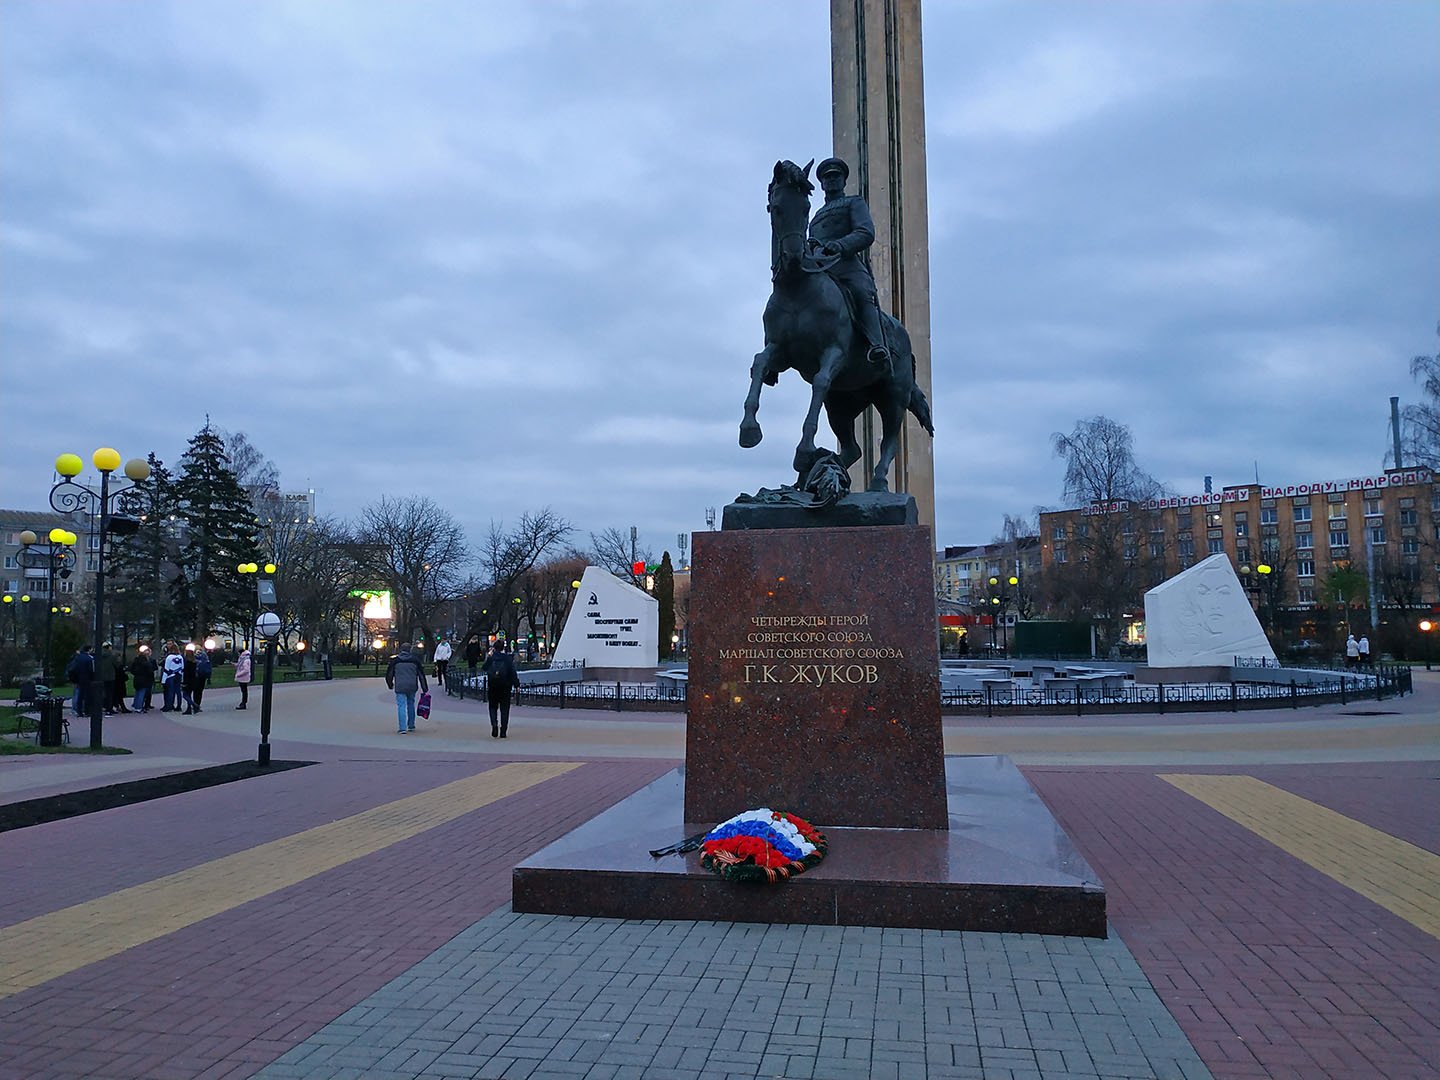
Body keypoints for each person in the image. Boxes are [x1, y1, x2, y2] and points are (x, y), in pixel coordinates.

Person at [808, 157, 889, 366]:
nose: (832, 181)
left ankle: (876, 345)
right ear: (822, 184)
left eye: (836, 176)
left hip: (847, 265)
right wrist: (814, 249)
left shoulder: (854, 202)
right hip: (822, 268)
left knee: (863, 293)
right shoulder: (816, 217)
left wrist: (841, 245)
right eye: (828, 178)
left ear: (844, 181)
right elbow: (811, 241)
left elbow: (865, 232)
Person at [481, 639, 522, 739]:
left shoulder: (491, 658)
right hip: (505, 687)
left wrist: (489, 656)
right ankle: (503, 730)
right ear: (503, 648)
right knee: (505, 709)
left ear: (494, 648)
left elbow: (484, 668)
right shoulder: (507, 659)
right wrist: (517, 685)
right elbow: (513, 673)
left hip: (493, 686)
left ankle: (494, 724)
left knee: (492, 707)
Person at [385, 642, 428, 734]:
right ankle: (411, 725)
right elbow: (421, 675)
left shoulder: (396, 660)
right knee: (411, 704)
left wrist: (390, 684)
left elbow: (389, 674)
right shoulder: (415, 660)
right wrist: (425, 688)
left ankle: (402, 728)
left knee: (401, 706)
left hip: (400, 686)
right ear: (410, 650)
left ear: (401, 649)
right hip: (412, 685)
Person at [65, 645, 94, 716]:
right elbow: (91, 670)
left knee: (80, 695)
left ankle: (79, 711)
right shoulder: (89, 659)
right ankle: (87, 711)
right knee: (87, 695)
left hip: (79, 678)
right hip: (87, 679)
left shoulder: (78, 658)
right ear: (89, 650)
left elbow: (74, 668)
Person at [130, 646, 157, 712]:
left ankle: (135, 705)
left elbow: (131, 669)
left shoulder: (136, 660)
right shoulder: (146, 662)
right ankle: (139, 707)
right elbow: (150, 670)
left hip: (137, 678)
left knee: (137, 692)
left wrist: (136, 673)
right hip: (144, 679)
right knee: (142, 693)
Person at [161, 642, 185, 711]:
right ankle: (179, 706)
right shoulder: (180, 657)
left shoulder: (169, 657)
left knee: (170, 691)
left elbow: (166, 669)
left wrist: (163, 680)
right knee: (178, 691)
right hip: (178, 675)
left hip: (170, 676)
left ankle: (169, 706)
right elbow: (182, 668)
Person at [192, 645, 212, 712]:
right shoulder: (205, 656)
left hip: (196, 675)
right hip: (203, 675)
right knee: (200, 691)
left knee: (195, 691)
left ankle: (195, 704)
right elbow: (208, 665)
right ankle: (198, 704)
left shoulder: (193, 655)